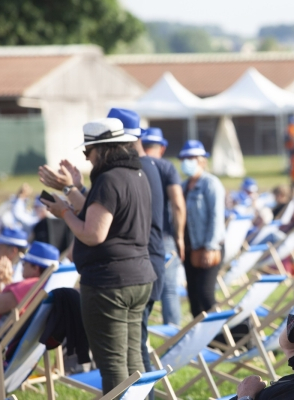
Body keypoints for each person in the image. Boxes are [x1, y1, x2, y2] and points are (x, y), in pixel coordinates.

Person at [41, 118, 155, 394]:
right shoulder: (136, 174)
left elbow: (93, 233)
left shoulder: (108, 178)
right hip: (138, 277)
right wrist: (70, 189)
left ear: (102, 149)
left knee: (113, 363)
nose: (88, 160)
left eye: (87, 152)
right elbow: (100, 211)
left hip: (109, 284)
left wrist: (64, 212)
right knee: (133, 359)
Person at [107, 109, 165, 398]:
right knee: (137, 346)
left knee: (135, 348)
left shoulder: (133, 169)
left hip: (142, 265)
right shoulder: (148, 166)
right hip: (151, 262)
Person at [142, 127, 186, 327]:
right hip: (165, 235)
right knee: (168, 289)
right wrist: (179, 236)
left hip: (139, 236)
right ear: (162, 147)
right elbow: (177, 204)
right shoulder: (166, 167)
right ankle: (174, 337)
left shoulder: (136, 165)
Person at [178, 140, 226, 317]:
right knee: (193, 297)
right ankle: (200, 340)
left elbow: (216, 217)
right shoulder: (182, 187)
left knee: (206, 295)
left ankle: (223, 337)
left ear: (202, 160)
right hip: (190, 249)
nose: (187, 161)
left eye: (191, 157)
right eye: (184, 158)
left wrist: (210, 246)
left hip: (208, 247)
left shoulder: (210, 184)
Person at [0, 241, 59, 343]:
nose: (22, 266)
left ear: (35, 268)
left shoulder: (30, 286)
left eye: (24, 263)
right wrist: (7, 282)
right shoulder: (46, 285)